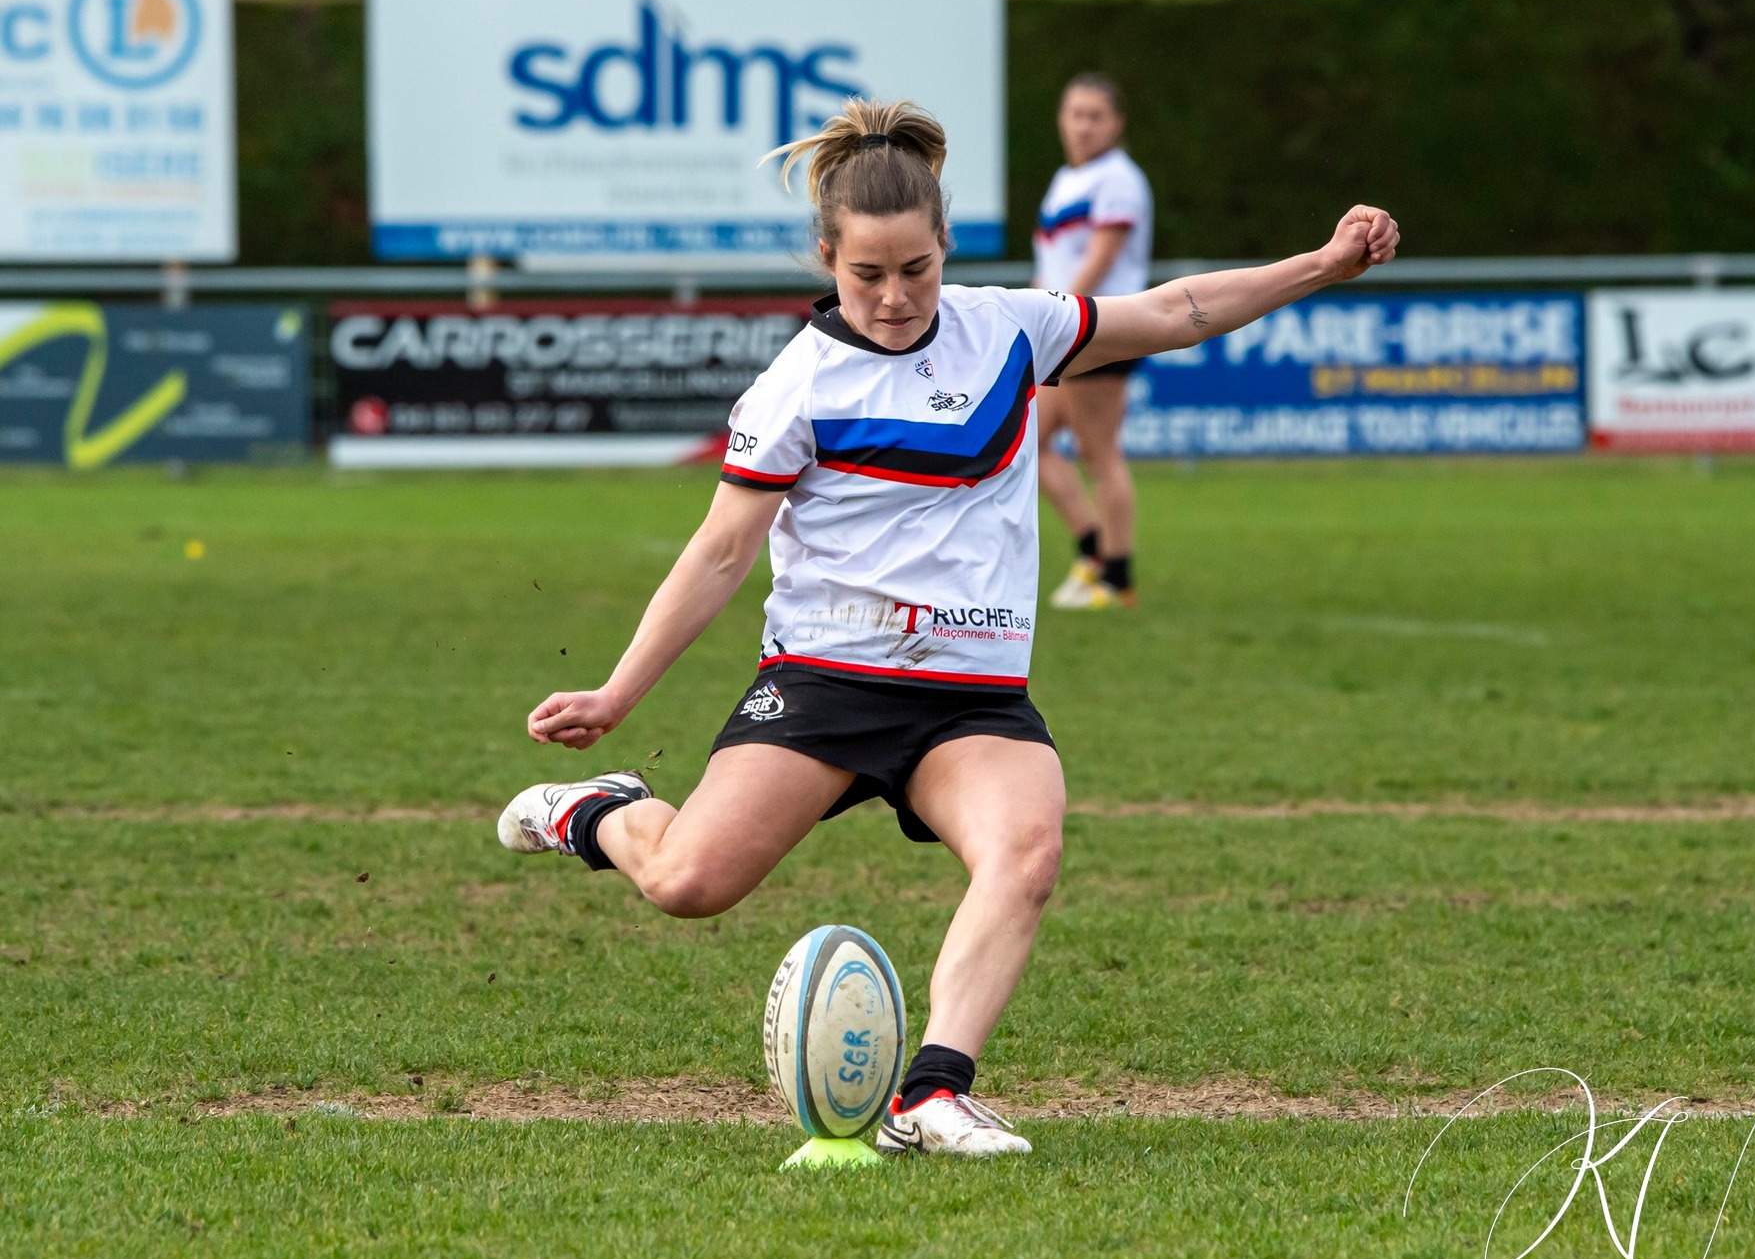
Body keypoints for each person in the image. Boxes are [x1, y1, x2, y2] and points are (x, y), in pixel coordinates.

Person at [495, 97, 1398, 1158]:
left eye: (914, 269)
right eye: (865, 273)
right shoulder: (796, 385)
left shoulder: (1005, 330)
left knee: (1025, 849)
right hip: (825, 684)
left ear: (944, 248)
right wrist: (615, 695)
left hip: (970, 697)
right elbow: (720, 553)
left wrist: (1322, 265)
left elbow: (1176, 308)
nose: (892, 295)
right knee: (691, 883)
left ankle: (930, 1092)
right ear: (825, 256)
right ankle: (599, 813)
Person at [1033, 74, 1152, 610]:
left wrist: (1054, 316)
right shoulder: (1067, 179)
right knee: (1025, 441)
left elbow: (1099, 260)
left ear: (1116, 123)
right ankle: (1093, 549)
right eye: (1074, 113)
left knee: (1099, 453)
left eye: (1094, 115)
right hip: (1066, 330)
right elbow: (1053, 265)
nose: (1082, 125)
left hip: (1099, 327)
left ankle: (1115, 576)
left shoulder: (1118, 179)